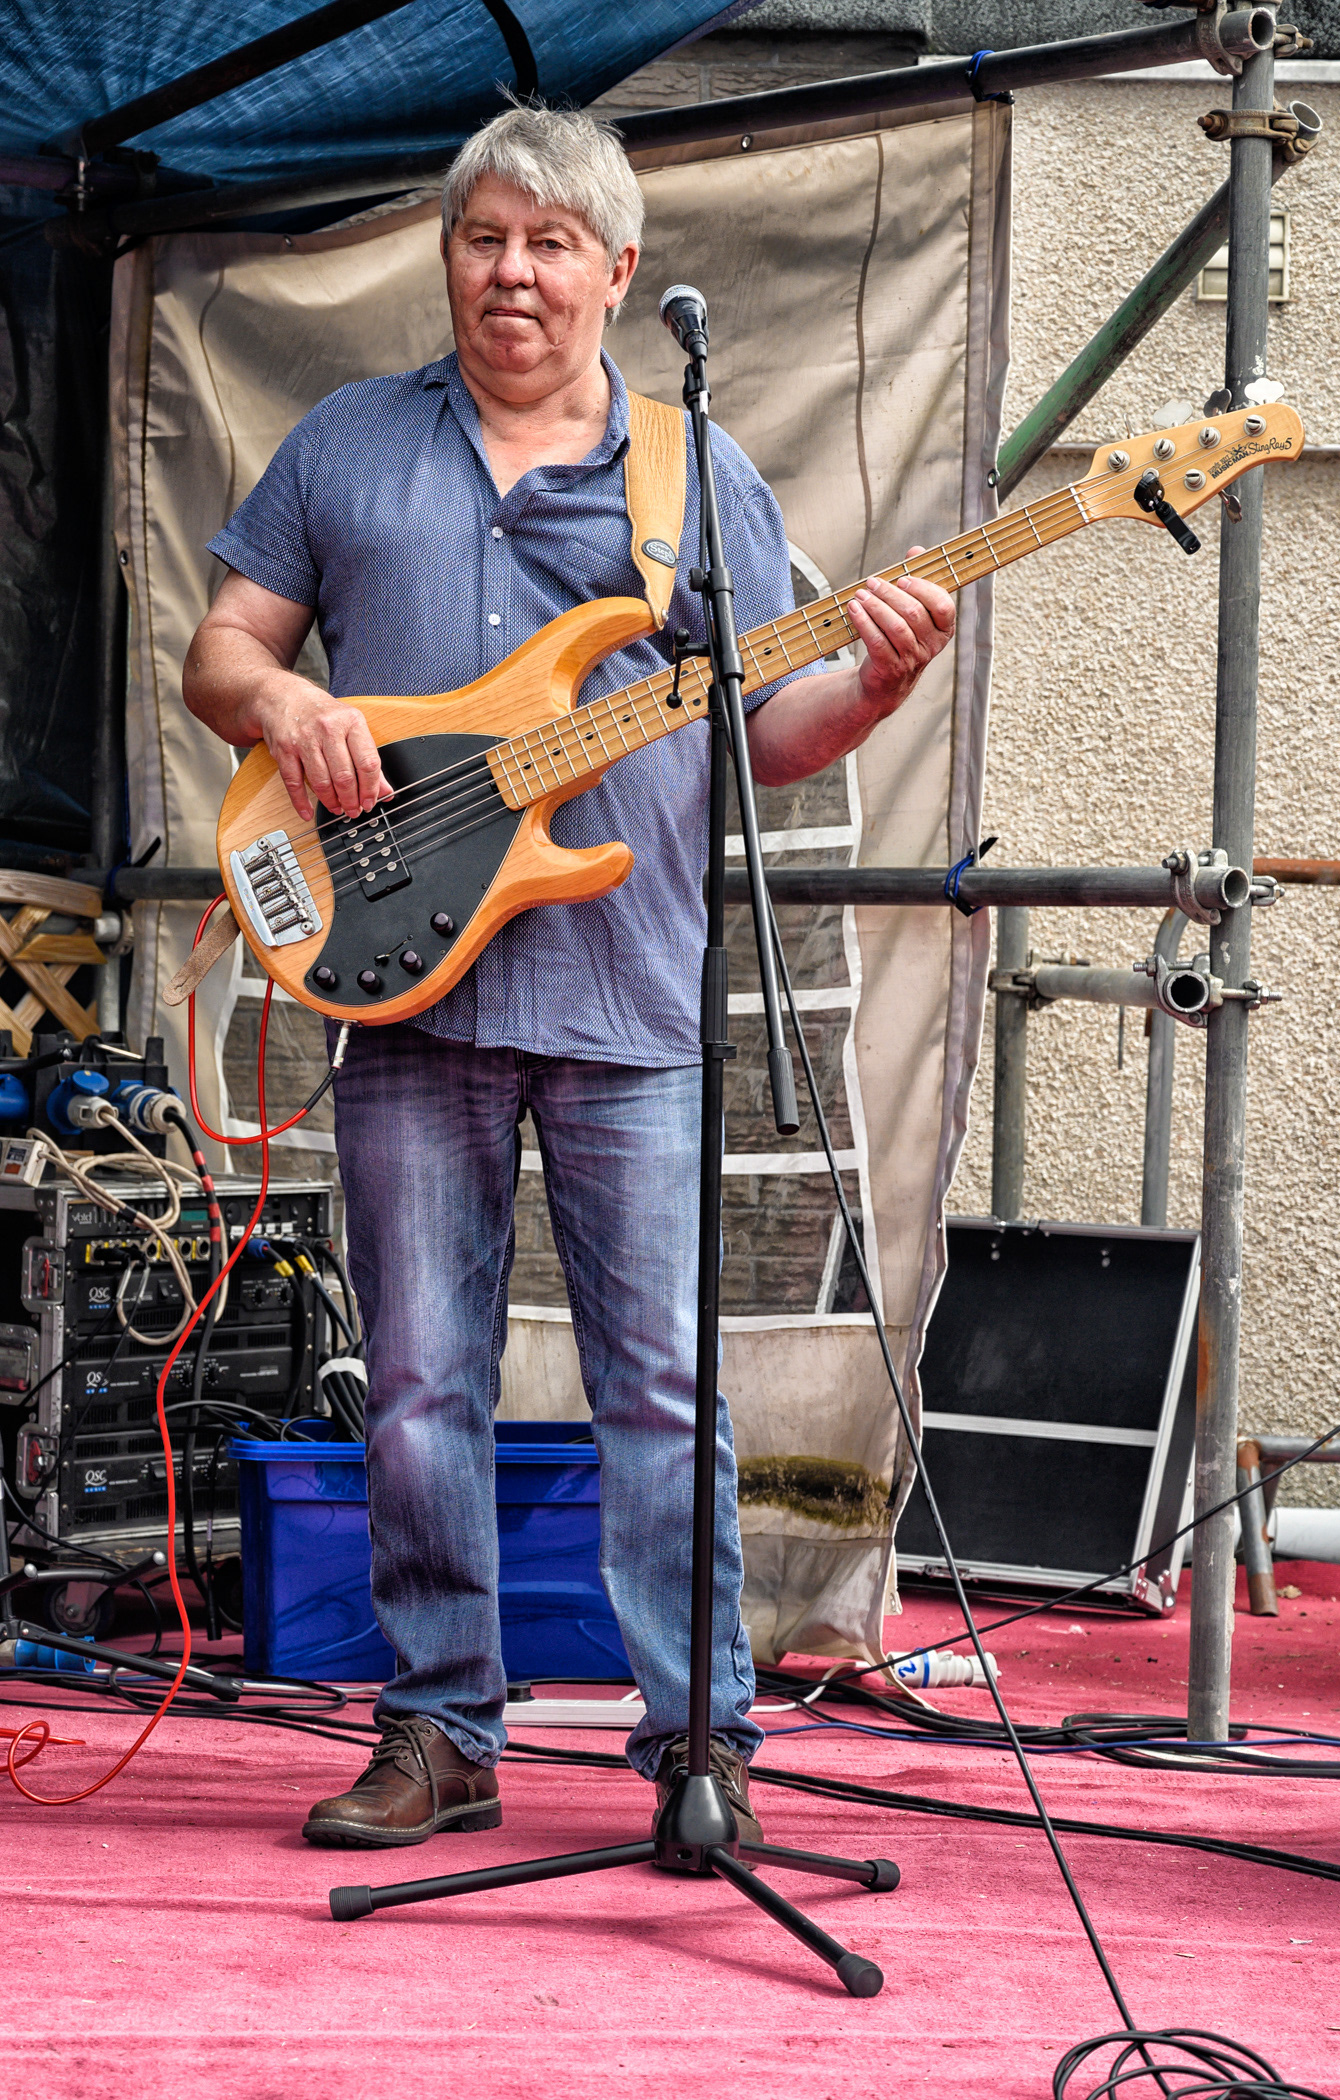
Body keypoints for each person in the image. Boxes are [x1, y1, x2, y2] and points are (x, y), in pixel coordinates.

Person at [183, 102, 954, 1850]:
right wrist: (291, 705)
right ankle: (441, 1727)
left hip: (631, 996)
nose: (510, 272)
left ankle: (700, 1747)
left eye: (548, 244)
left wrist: (882, 684)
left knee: (664, 1395)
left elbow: (763, 735)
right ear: (446, 260)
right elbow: (221, 649)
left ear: (617, 274)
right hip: (405, 985)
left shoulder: (700, 477)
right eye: (481, 239)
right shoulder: (347, 446)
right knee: (419, 1381)